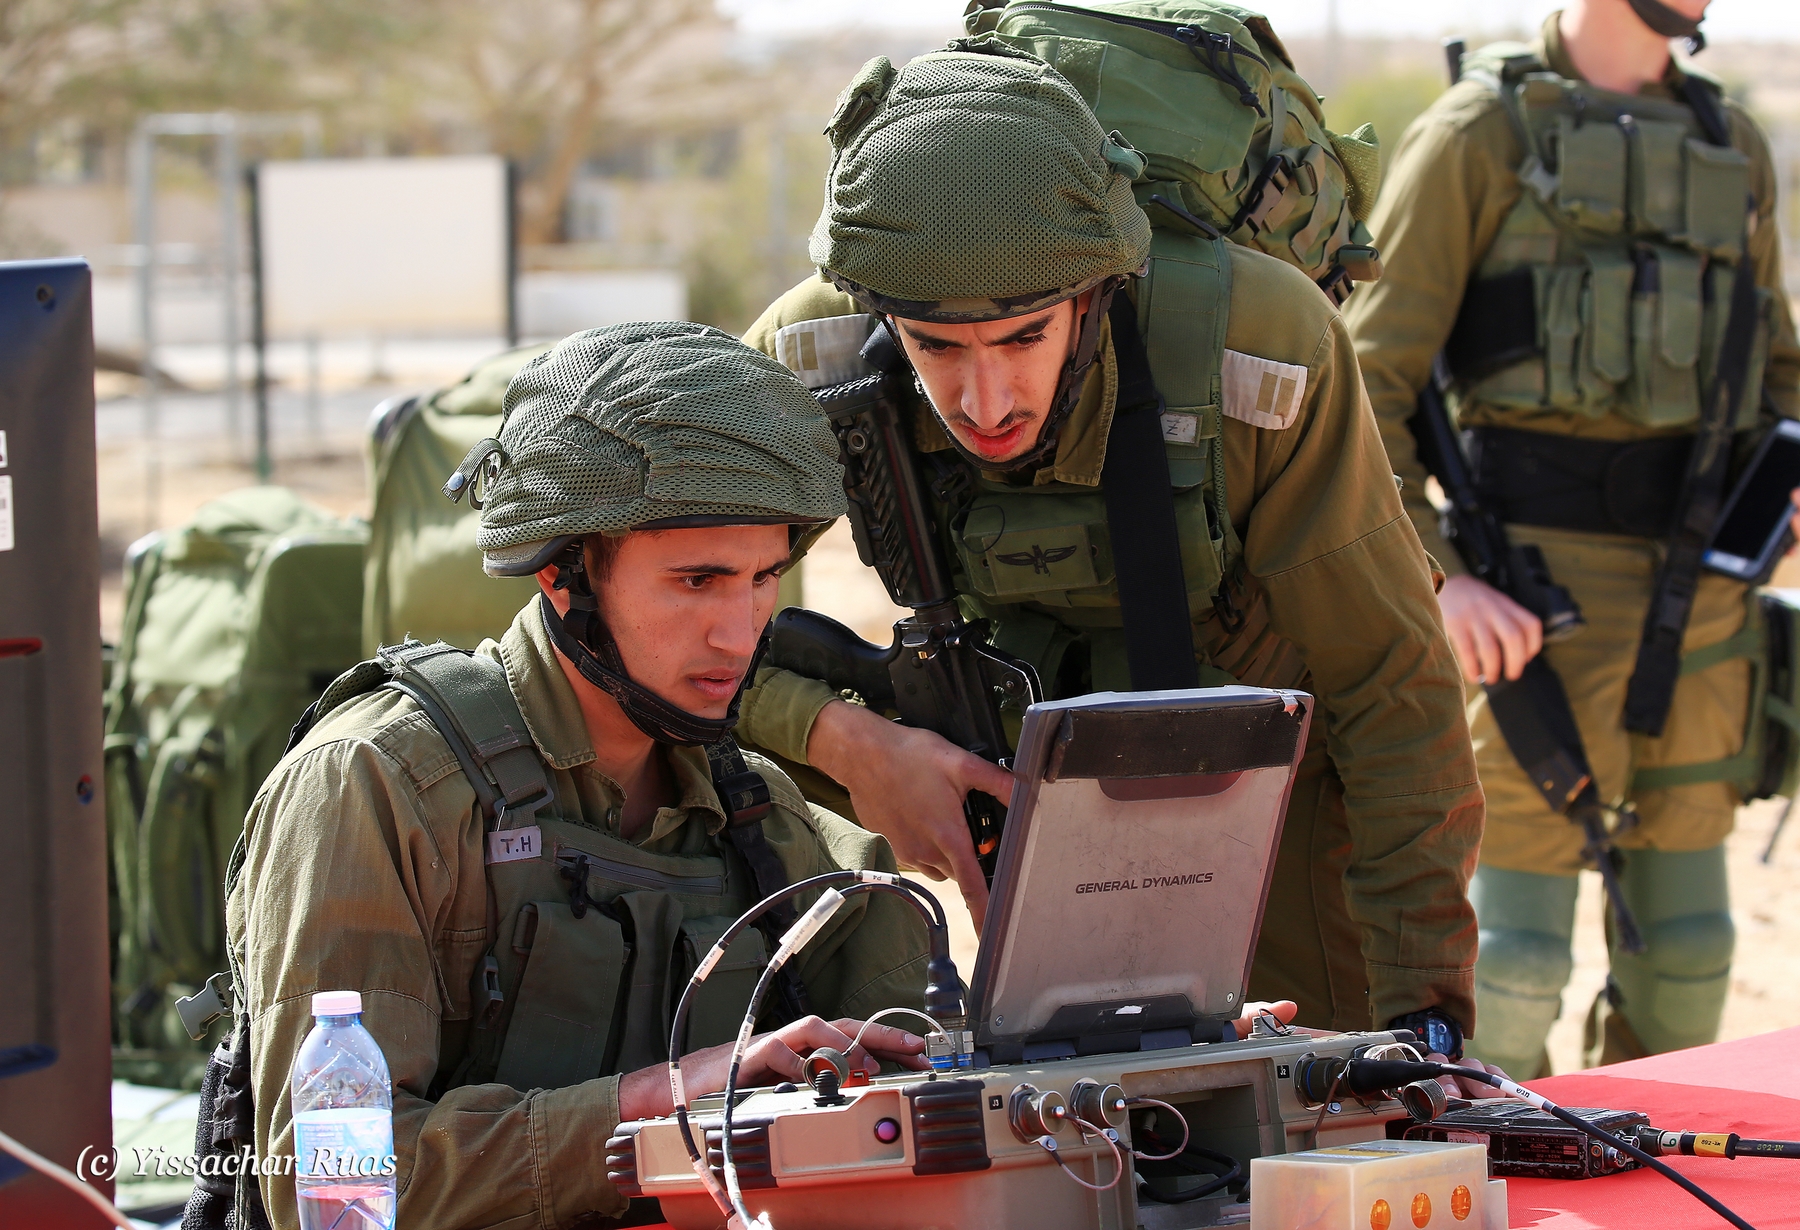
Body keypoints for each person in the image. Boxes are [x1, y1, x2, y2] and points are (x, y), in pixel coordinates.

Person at [733, 43, 1488, 1061]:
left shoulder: (1257, 344)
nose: (983, 401)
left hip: (1271, 789)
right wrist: (847, 743)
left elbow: (1394, 682)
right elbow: (656, 632)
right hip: (1015, 782)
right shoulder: (812, 351)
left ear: (1095, 293)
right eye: (937, 348)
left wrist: (1424, 1016)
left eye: (1020, 339)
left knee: (1302, 1113)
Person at [215, 324, 939, 1229]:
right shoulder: (377, 789)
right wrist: (659, 1105)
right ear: (564, 577)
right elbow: (333, 1185)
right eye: (696, 581)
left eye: (762, 578)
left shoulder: (762, 818)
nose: (740, 630)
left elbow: (924, 1087)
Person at [1344, 0, 1800, 1077]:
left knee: (1689, 959)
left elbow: (1778, 368)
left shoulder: (1730, 144)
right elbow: (1365, 390)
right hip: (1532, 609)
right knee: (1510, 972)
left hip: (1704, 607)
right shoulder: (1478, 135)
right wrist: (1441, 580)